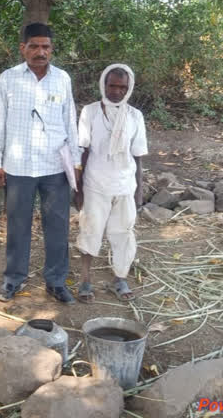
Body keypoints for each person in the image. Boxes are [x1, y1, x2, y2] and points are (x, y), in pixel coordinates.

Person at [0, 23, 79, 304]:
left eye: (46, 47)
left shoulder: (62, 79)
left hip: (55, 165)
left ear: (52, 49)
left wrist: (75, 162)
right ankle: (13, 279)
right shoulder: (8, 78)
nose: (40, 52)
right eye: (34, 46)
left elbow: (71, 121)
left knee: (57, 226)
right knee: (18, 226)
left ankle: (55, 281)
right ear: (23, 48)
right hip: (19, 166)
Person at [74, 64, 147, 302]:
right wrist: (79, 186)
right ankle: (85, 280)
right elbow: (82, 150)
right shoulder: (91, 112)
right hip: (95, 182)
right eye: (112, 85)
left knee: (123, 233)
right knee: (90, 230)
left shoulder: (135, 116)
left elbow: (137, 156)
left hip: (125, 184)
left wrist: (138, 190)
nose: (116, 91)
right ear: (103, 84)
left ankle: (120, 277)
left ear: (129, 88)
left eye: (122, 87)